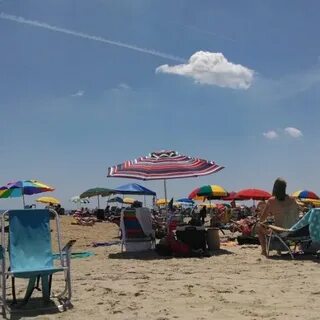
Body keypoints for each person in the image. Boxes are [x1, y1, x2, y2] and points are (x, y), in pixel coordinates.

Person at [258, 178, 300, 256]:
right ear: (285, 188)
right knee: (276, 226)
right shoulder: (293, 199)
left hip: (282, 231)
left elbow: (261, 219)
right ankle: (279, 250)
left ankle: (264, 251)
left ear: (275, 188)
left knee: (260, 227)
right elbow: (297, 214)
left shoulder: (271, 201)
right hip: (295, 231)